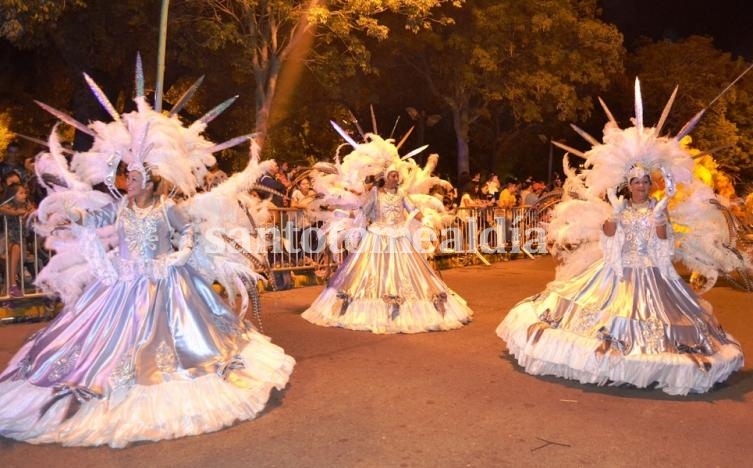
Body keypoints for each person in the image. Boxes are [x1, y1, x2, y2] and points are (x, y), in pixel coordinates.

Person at [0, 66, 295, 447]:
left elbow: (187, 232)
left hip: (165, 284)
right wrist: (71, 214)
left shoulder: (166, 208)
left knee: (177, 345)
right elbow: (92, 218)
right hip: (120, 286)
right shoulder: (120, 207)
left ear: (151, 180)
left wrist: (177, 257)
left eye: (136, 177)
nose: (129, 182)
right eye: (127, 177)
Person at [497, 79, 743, 395]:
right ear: (628, 184)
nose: (641, 186)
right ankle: (605, 359)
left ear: (651, 184)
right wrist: (613, 211)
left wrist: (661, 212)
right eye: (636, 182)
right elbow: (609, 234)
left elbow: (662, 242)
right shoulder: (622, 207)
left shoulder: (658, 209)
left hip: (651, 277)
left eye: (645, 181)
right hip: (616, 272)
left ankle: (643, 362)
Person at [302, 165, 473, 334]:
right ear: (384, 177)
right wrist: (342, 213)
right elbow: (363, 212)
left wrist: (426, 220)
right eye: (392, 175)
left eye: (397, 175)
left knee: (406, 274)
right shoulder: (375, 193)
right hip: (376, 237)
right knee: (372, 275)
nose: (396, 178)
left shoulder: (401, 194)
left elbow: (413, 211)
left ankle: (404, 311)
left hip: (398, 237)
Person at [0, 183, 34, 297]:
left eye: (25, 193)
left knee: (15, 266)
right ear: (12, 195)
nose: (24, 195)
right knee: (15, 249)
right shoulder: (8, 204)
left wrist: (28, 212)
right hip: (9, 237)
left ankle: (6, 291)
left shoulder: (26, 204)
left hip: (21, 238)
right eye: (21, 193)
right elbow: (2, 209)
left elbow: (34, 210)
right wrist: (16, 212)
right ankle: (13, 285)